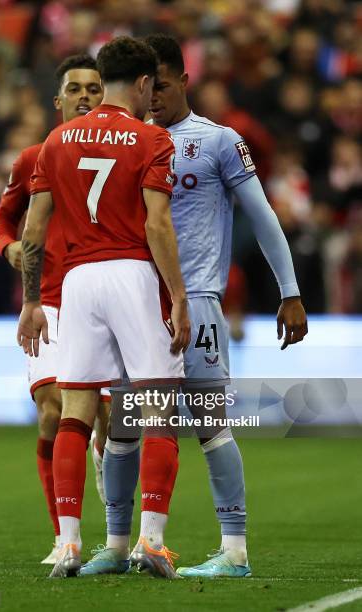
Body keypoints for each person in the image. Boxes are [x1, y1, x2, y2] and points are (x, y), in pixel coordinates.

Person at [16, 36, 190, 579]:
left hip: (76, 283)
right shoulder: (151, 138)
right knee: (159, 406)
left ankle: (68, 544)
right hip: (133, 274)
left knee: (76, 412)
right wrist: (178, 296)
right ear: (142, 83)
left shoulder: (57, 139)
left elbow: (34, 230)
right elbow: (157, 225)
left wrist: (29, 302)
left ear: (104, 79)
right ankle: (151, 542)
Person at [141, 34, 306, 578]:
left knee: (210, 425)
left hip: (201, 302)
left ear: (184, 81)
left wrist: (290, 291)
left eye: (162, 84)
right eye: (146, 86)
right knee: (125, 425)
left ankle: (234, 550)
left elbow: (262, 216)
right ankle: (124, 544)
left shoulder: (217, 141)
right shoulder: (132, 142)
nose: (153, 95)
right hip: (138, 303)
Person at [0, 54, 108, 565]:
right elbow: (3, 217)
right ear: (57, 99)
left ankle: (119, 532)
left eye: (95, 88)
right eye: (75, 89)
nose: (85, 96)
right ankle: (66, 537)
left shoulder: (124, 155)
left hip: (105, 301)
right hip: (51, 302)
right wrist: (8, 247)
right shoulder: (34, 158)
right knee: (54, 409)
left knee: (108, 417)